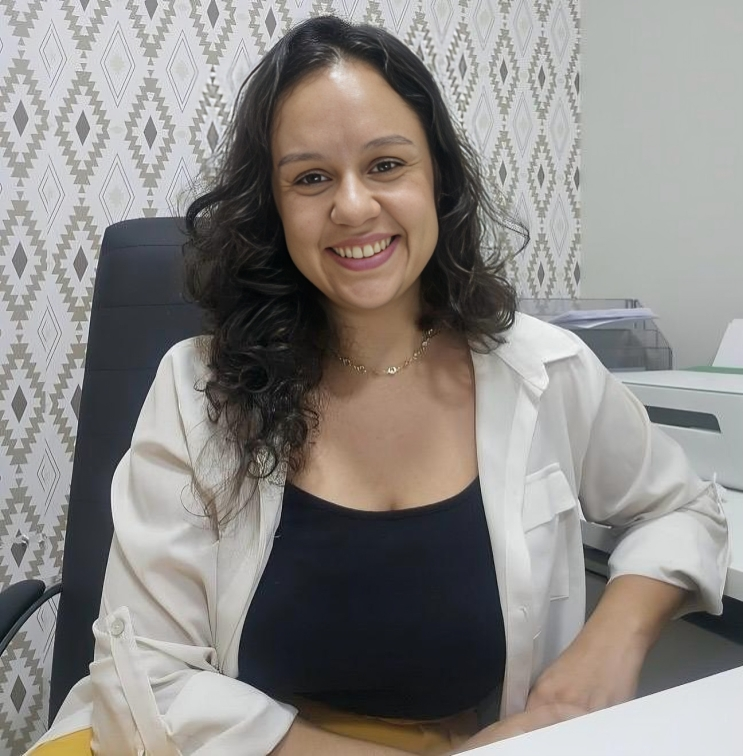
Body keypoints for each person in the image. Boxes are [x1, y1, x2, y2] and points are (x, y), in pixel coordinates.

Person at [27, 14, 729, 756]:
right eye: (311, 178)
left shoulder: (542, 370)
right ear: (273, 208)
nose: (354, 206)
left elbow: (680, 508)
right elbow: (150, 679)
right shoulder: (198, 389)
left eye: (386, 164)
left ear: (438, 179)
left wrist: (597, 660)